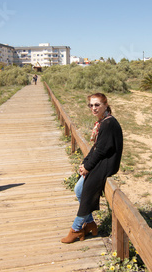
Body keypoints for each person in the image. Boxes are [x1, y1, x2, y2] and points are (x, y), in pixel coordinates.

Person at [61, 93, 123, 243]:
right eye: (91, 105)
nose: (93, 108)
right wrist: (85, 163)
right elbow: (96, 147)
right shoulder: (103, 122)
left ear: (105, 105)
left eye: (97, 105)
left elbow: (101, 150)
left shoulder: (108, 124)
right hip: (101, 161)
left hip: (107, 164)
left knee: (86, 191)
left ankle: (76, 229)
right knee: (78, 189)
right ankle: (89, 223)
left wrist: (88, 167)